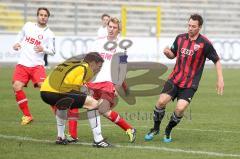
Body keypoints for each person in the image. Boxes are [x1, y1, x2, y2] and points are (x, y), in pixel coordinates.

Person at [144, 14, 224, 143]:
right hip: (175, 79)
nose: (190, 28)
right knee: (161, 102)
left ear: (199, 27)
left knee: (180, 109)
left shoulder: (205, 44)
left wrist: (220, 79)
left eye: (193, 26)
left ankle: (168, 130)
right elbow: (173, 55)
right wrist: (167, 53)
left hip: (190, 83)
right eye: (189, 25)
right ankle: (155, 128)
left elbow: (217, 60)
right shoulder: (180, 38)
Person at [40, 52, 112, 147]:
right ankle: (98, 140)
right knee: (93, 104)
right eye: (99, 66)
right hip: (58, 92)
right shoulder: (86, 68)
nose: (99, 69)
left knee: (63, 106)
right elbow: (77, 88)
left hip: (44, 92)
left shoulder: (72, 63)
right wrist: (90, 95)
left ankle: (60, 137)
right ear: (92, 64)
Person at [12, 7, 55, 125]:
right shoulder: (28, 26)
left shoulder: (49, 34)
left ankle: (58, 113)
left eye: (45, 15)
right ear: (37, 16)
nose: (43, 17)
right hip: (23, 64)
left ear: (48, 18)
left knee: (45, 89)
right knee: (16, 86)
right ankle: (27, 115)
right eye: (41, 15)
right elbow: (20, 35)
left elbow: (53, 51)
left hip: (37, 66)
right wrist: (16, 43)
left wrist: (43, 49)